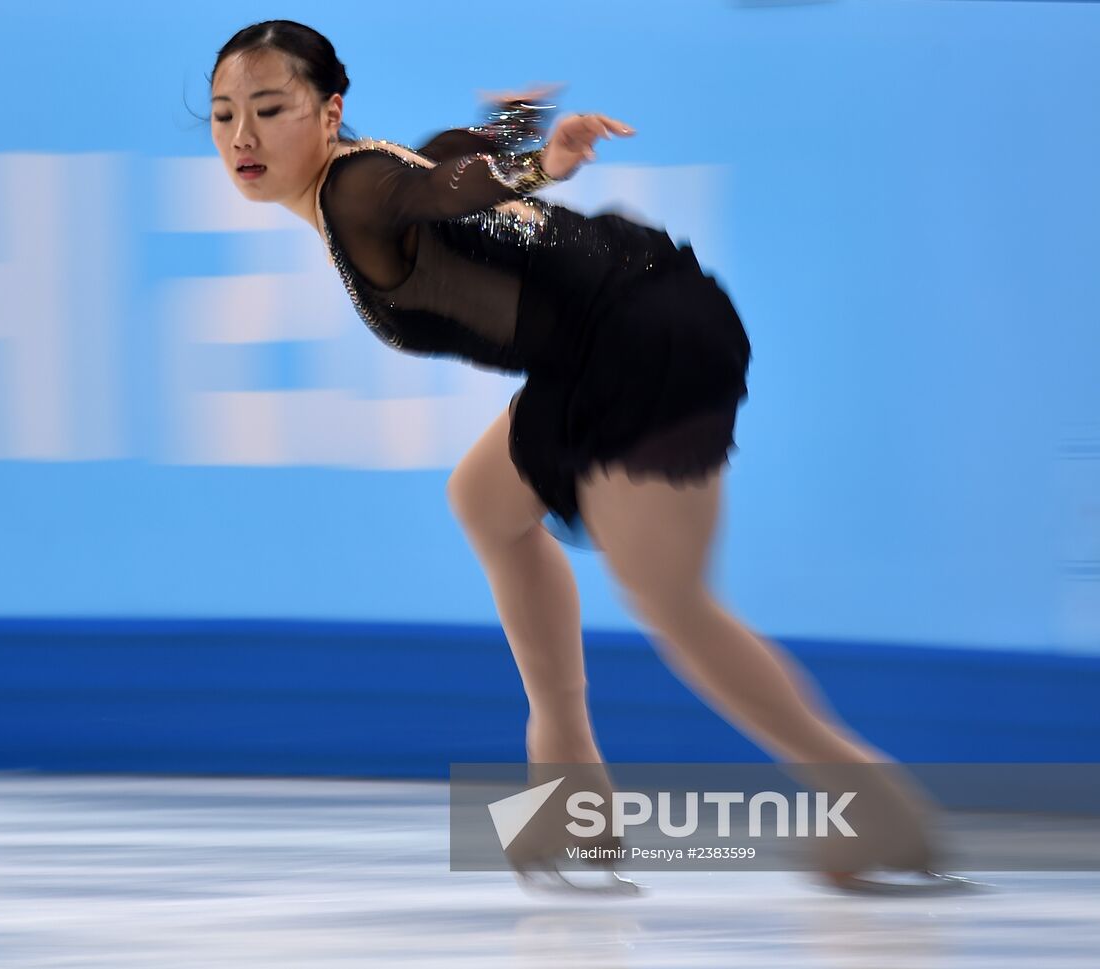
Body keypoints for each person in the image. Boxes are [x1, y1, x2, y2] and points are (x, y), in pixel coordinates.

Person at [205, 19, 979, 896]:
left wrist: (531, 165)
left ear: (328, 109)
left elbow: (441, 190)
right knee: (486, 501)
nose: (242, 137)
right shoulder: (374, 173)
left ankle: (868, 795)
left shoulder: (357, 189)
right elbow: (448, 169)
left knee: (673, 604)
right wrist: (516, 128)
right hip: (597, 340)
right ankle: (569, 767)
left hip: (644, 337)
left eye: (269, 109)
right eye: (224, 114)